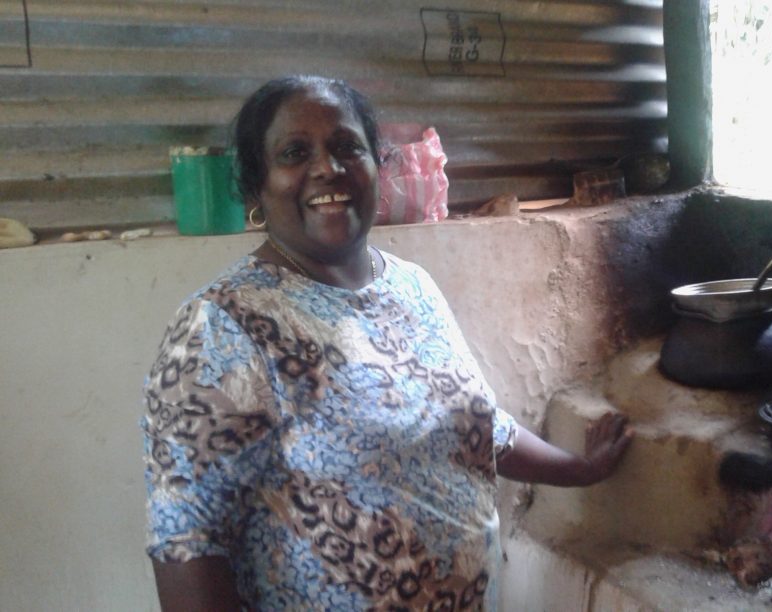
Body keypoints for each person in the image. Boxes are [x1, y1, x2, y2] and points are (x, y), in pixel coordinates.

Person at [141, 75, 632, 611]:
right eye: (294, 152)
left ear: (378, 165)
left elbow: (479, 426)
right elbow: (188, 544)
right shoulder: (222, 327)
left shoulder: (410, 285)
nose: (328, 167)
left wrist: (579, 470)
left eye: (348, 147)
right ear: (258, 186)